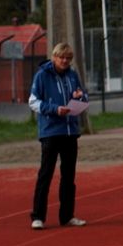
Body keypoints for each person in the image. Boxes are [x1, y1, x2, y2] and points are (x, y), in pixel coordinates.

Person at [28, 42, 88, 230]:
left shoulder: (72, 75)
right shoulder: (42, 76)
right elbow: (33, 102)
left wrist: (80, 97)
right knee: (45, 174)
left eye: (68, 58)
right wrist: (55, 109)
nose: (65, 61)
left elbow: (81, 96)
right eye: (61, 57)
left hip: (70, 132)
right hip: (51, 132)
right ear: (54, 57)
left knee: (69, 177)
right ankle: (38, 216)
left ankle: (67, 216)